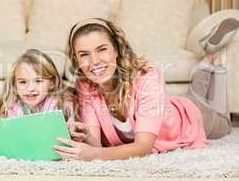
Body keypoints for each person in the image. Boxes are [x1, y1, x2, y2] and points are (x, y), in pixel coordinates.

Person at [53, 18, 232, 161]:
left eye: (102, 50)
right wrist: (84, 138)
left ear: (116, 50)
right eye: (84, 54)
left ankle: (211, 63)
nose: (94, 61)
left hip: (187, 120)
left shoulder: (148, 76)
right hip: (164, 107)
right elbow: (95, 145)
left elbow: (142, 148)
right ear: (76, 60)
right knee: (195, 93)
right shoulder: (85, 85)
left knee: (223, 123)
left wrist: (93, 155)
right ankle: (206, 65)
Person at [0, 49, 76, 148]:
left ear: (52, 83)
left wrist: (71, 130)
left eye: (38, 81)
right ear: (15, 84)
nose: (30, 88)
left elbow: (74, 133)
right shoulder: (12, 106)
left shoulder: (61, 104)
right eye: (23, 82)